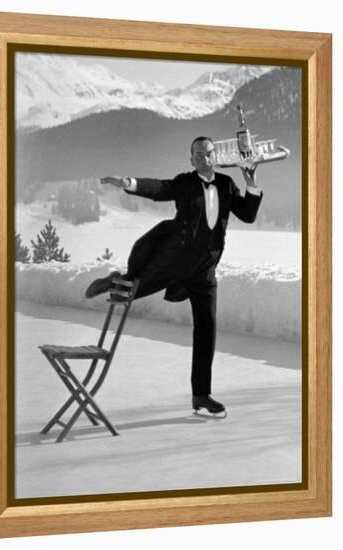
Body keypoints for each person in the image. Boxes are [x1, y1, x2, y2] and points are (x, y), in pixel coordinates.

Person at [86, 136, 263, 414]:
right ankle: (116, 278)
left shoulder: (227, 184)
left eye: (208, 154)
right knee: (133, 289)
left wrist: (251, 182)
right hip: (176, 260)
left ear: (215, 156)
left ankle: (201, 395)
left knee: (207, 330)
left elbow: (248, 215)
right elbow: (160, 188)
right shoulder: (186, 182)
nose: (204, 159)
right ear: (191, 160)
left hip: (205, 270)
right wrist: (129, 183)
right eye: (198, 155)